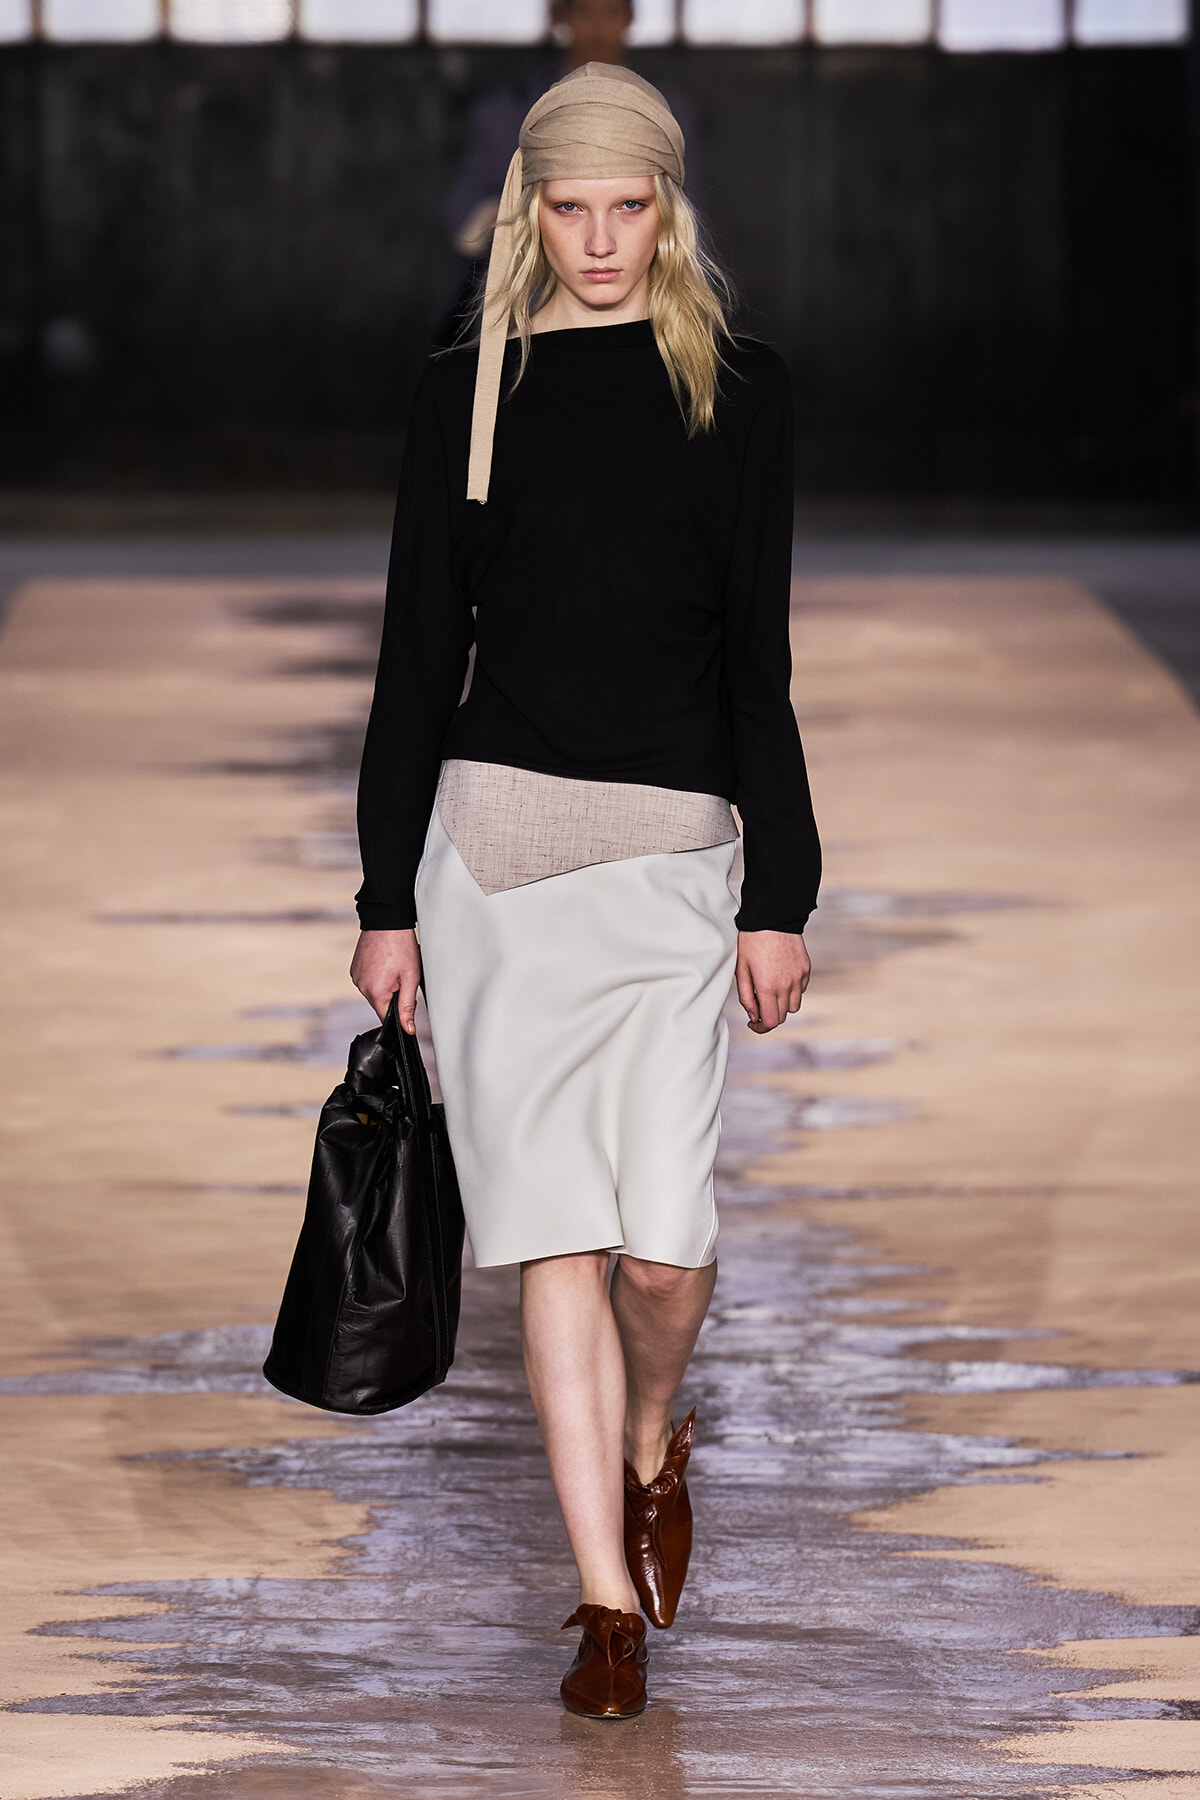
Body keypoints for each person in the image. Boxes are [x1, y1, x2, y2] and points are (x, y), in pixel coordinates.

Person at [352, 62, 820, 1720]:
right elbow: (418, 656)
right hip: (490, 858)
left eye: (630, 208)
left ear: (667, 207)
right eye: (571, 207)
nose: (602, 240)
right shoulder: (463, 388)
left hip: (676, 864)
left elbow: (754, 659)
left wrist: (785, 891)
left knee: (660, 1250)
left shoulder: (737, 390)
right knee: (553, 1236)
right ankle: (603, 1602)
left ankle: (650, 1432)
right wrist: (384, 893)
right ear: (525, 211)